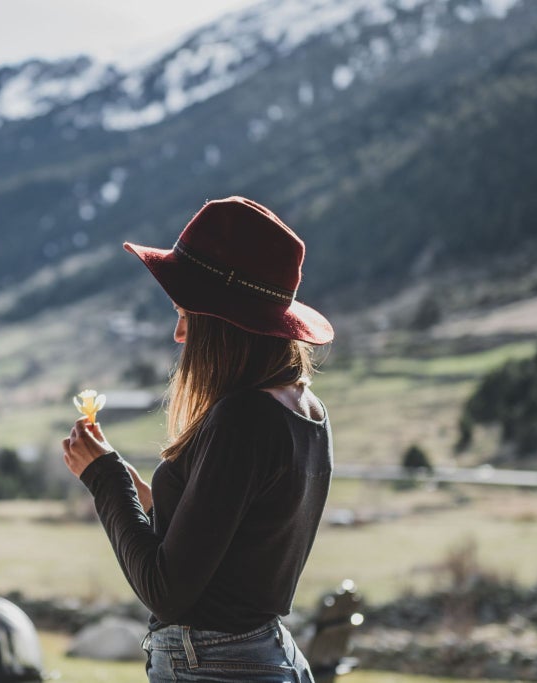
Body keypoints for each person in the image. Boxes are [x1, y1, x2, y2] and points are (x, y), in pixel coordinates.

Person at [62, 196, 334, 683]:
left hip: (214, 667)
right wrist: (139, 491)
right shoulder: (306, 411)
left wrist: (103, 479)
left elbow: (167, 590)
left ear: (222, 323)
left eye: (186, 314)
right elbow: (228, 543)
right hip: (261, 656)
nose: (179, 333)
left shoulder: (242, 418)